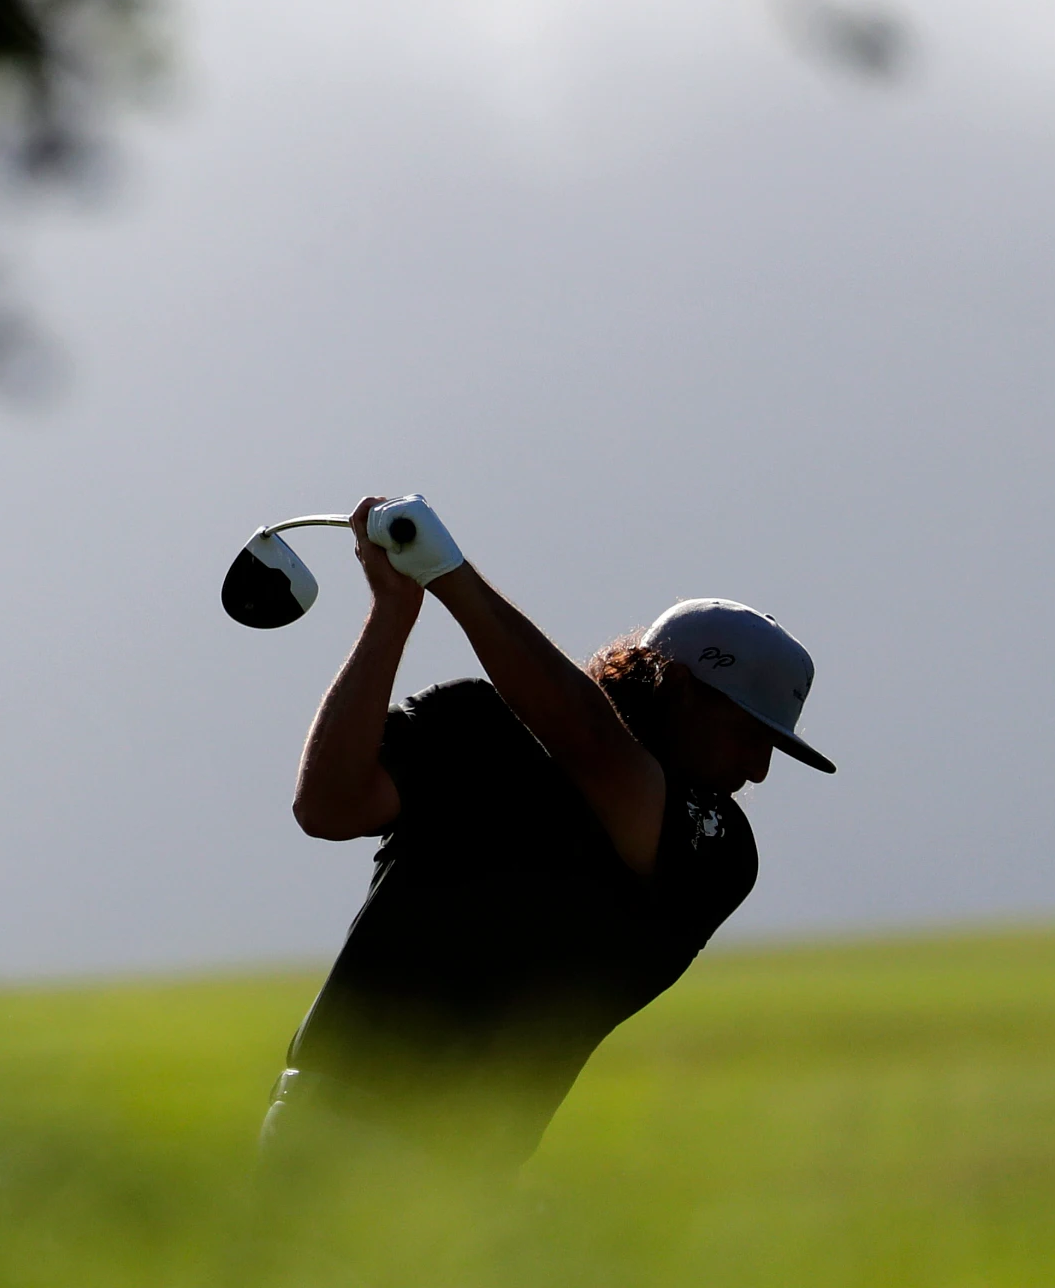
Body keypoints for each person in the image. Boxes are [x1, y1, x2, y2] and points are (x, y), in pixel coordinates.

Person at [262, 494, 836, 1177]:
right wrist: (392, 613)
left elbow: (593, 745)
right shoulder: (477, 722)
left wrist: (450, 574)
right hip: (323, 1126)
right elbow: (328, 807)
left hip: (461, 1172)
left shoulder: (719, 848)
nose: (760, 771)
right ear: (679, 687)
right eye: (748, 734)